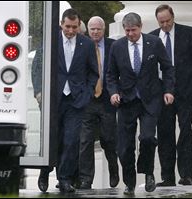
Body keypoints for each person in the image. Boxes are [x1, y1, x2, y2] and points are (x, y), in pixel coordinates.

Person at [106, 12, 175, 195]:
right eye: (127, 31)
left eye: (133, 30)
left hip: (150, 99)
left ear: (140, 27)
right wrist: (113, 93)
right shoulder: (117, 46)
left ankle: (148, 172)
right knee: (124, 147)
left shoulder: (154, 42)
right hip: (127, 101)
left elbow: (167, 67)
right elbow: (111, 74)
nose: (130, 34)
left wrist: (168, 90)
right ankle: (129, 182)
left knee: (147, 138)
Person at [35, 8, 99, 193]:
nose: (71, 31)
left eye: (74, 27)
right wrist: (39, 91)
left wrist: (87, 94)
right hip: (53, 99)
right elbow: (38, 66)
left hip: (76, 100)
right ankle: (45, 172)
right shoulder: (50, 40)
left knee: (71, 140)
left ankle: (64, 178)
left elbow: (93, 72)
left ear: (79, 26)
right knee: (52, 138)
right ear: (61, 24)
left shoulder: (86, 44)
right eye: (67, 26)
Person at [149, 4, 192, 186]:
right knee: (165, 135)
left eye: (168, 20)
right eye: (161, 22)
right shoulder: (152, 37)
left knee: (185, 132)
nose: (165, 25)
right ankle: (167, 177)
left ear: (173, 17)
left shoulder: (188, 33)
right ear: (157, 21)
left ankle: (186, 175)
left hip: (185, 94)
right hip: (161, 94)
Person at [78, 16, 119, 189]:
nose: (95, 32)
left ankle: (113, 168)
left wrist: (116, 92)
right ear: (88, 29)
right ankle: (87, 178)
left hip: (107, 99)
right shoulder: (83, 45)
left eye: (98, 29)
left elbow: (118, 69)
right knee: (86, 141)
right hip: (88, 99)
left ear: (104, 30)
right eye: (92, 29)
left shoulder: (113, 46)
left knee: (108, 139)